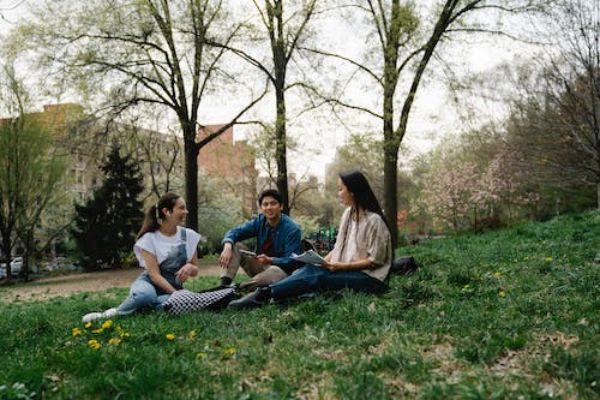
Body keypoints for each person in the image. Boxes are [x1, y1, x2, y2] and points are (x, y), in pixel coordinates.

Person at [229, 170, 391, 308]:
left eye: (341, 189)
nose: (339, 193)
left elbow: (375, 261)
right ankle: (270, 293)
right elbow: (339, 247)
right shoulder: (348, 215)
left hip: (369, 278)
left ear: (353, 191)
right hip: (347, 270)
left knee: (318, 277)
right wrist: (321, 262)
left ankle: (262, 296)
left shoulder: (374, 221)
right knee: (309, 270)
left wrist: (339, 266)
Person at [82, 192, 202, 322]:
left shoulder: (189, 236)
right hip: (149, 284)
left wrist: (190, 267)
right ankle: (111, 314)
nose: (186, 212)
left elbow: (195, 269)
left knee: (174, 305)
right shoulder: (149, 239)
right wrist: (177, 295)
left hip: (171, 289)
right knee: (146, 296)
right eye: (181, 208)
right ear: (166, 211)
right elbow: (154, 276)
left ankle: (142, 307)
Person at [218, 189, 302, 290]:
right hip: (260, 266)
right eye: (265, 204)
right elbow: (235, 231)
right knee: (234, 245)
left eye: (273, 203)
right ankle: (223, 286)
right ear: (261, 208)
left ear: (281, 206)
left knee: (274, 271)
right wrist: (227, 246)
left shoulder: (292, 229)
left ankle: (239, 288)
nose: (269, 207)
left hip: (281, 272)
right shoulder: (260, 221)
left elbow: (292, 261)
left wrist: (270, 260)